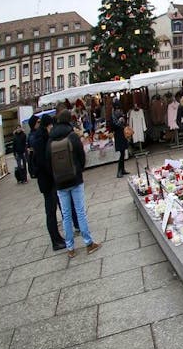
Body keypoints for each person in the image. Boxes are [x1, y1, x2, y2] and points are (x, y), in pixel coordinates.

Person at [47, 110, 100, 258]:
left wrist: (56, 177)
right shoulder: (72, 136)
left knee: (66, 215)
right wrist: (79, 170)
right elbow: (81, 156)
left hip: (60, 183)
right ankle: (88, 243)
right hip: (75, 180)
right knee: (80, 211)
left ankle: (70, 248)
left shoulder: (50, 140)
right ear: (68, 120)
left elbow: (47, 162)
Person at [29, 115, 67, 251]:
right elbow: (42, 162)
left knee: (52, 210)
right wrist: (52, 172)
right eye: (51, 125)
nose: (52, 127)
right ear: (47, 125)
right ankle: (55, 241)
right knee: (50, 212)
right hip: (46, 181)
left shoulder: (43, 137)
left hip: (48, 180)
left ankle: (58, 238)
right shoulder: (39, 140)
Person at [111, 103, 130, 178]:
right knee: (121, 153)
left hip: (123, 135)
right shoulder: (113, 116)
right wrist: (119, 121)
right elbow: (113, 127)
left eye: (119, 109)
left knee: (123, 153)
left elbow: (124, 123)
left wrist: (123, 120)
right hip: (118, 136)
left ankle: (122, 170)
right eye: (117, 109)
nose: (118, 110)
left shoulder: (121, 114)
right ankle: (119, 171)